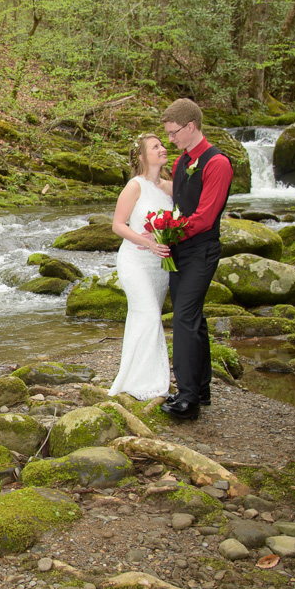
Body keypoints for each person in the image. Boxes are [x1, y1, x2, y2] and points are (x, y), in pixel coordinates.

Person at [159, 98, 234, 420]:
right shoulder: (180, 164)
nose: (171, 140)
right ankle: (201, 389)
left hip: (201, 250)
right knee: (193, 319)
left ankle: (187, 398)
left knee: (183, 320)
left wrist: (169, 233)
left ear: (191, 127)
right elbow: (177, 204)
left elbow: (204, 218)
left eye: (174, 133)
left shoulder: (218, 164)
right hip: (178, 250)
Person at [107, 133, 174, 400]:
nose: (163, 148)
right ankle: (150, 383)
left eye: (162, 144)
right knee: (147, 314)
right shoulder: (135, 186)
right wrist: (146, 243)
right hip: (135, 261)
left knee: (144, 317)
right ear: (143, 156)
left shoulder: (169, 187)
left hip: (159, 266)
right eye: (155, 146)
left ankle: (134, 375)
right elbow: (118, 225)